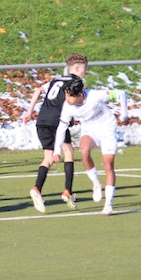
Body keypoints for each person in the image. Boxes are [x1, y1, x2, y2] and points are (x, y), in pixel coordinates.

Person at [19, 53, 88, 212]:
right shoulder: (76, 82)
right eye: (84, 69)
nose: (85, 72)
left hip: (42, 121)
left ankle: (37, 188)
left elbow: (37, 90)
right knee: (68, 152)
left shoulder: (56, 80)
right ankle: (67, 191)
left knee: (48, 158)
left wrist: (29, 112)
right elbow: (73, 101)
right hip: (58, 122)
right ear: (76, 68)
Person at [51, 76, 127, 216]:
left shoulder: (95, 95)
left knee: (108, 164)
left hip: (107, 128)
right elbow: (61, 127)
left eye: (70, 96)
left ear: (80, 95)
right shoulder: (68, 106)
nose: (67, 99)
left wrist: (124, 114)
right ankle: (96, 183)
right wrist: (56, 151)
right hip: (90, 130)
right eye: (66, 95)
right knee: (84, 151)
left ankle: (108, 204)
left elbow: (121, 93)